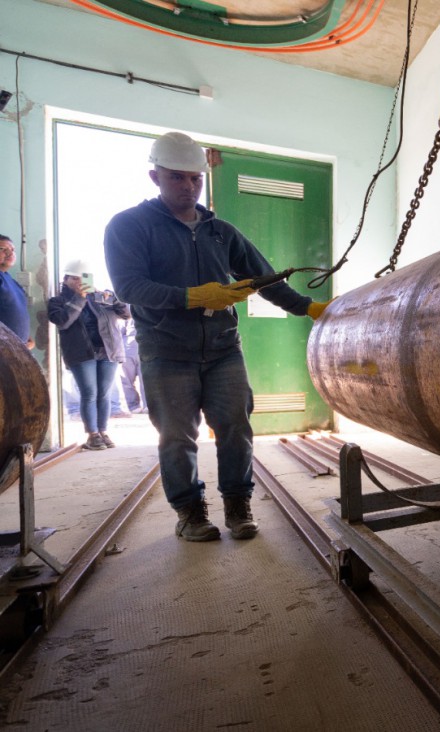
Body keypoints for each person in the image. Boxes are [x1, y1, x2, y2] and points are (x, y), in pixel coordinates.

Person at [105, 131, 330, 543]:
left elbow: (262, 277)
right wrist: (191, 296)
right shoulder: (129, 226)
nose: (189, 187)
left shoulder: (220, 231)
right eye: (177, 178)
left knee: (236, 427)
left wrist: (307, 308)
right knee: (176, 437)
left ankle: (237, 504)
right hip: (166, 350)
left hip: (224, 349)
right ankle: (190, 512)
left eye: (195, 179)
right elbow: (128, 287)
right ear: (155, 176)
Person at [48, 260, 131, 450]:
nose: (79, 281)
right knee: (89, 393)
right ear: (66, 279)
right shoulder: (58, 301)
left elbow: (126, 314)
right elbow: (63, 322)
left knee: (104, 393)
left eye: (82, 277)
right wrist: (80, 297)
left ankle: (103, 432)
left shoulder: (101, 297)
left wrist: (115, 299)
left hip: (108, 351)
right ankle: (92, 435)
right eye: (74, 278)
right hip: (81, 353)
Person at [0, 234, 34, 349]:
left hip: (18, 350)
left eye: (12, 250)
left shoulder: (11, 280)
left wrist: (25, 337)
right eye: (3, 249)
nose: (10, 253)